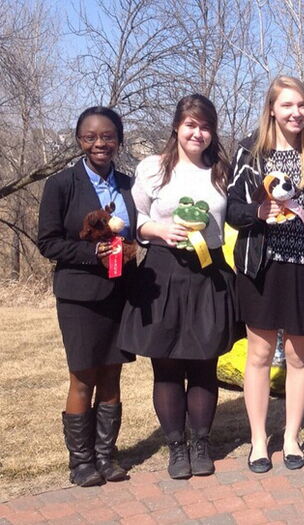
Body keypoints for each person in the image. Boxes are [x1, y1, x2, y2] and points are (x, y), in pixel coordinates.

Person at [118, 94, 243, 479]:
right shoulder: (153, 168)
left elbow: (237, 213)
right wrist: (156, 228)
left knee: (204, 363)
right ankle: (176, 447)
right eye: (191, 124)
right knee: (168, 366)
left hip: (209, 273)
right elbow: (131, 216)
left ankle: (201, 443)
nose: (198, 133)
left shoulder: (222, 170)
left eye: (205, 126)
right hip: (163, 272)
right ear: (177, 126)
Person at [227, 76, 304, 474]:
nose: (296, 113)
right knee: (259, 355)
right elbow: (232, 209)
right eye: (287, 105)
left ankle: (291, 437)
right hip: (262, 267)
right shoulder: (250, 153)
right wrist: (257, 213)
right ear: (272, 109)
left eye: (302, 105)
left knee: (299, 355)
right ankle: (259, 441)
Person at [38, 107, 136, 487]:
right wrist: (89, 253)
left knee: (112, 373)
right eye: (91, 137)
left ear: (118, 139)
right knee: (83, 376)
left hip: (120, 292)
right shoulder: (62, 184)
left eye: (108, 136)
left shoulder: (127, 184)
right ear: (80, 140)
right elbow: (48, 242)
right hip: (79, 295)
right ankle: (80, 462)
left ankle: (105, 455)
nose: (100, 143)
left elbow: (136, 232)